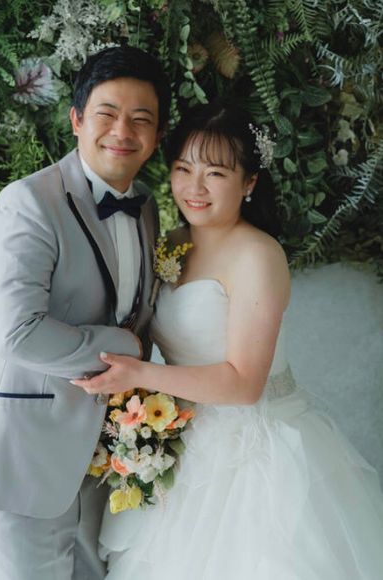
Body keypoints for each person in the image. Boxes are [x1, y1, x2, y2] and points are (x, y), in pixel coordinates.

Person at [72, 101, 383, 579]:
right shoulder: (170, 241)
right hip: (183, 438)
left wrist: (138, 374)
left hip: (257, 446)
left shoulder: (259, 256)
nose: (194, 187)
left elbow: (244, 384)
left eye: (215, 173)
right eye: (183, 169)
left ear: (249, 183)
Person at [0, 46, 171, 580]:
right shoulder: (27, 202)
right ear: (76, 120)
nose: (123, 130)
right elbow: (17, 333)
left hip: (102, 451)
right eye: (107, 113)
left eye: (141, 119)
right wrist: (126, 351)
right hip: (22, 446)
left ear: (158, 134)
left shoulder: (146, 206)